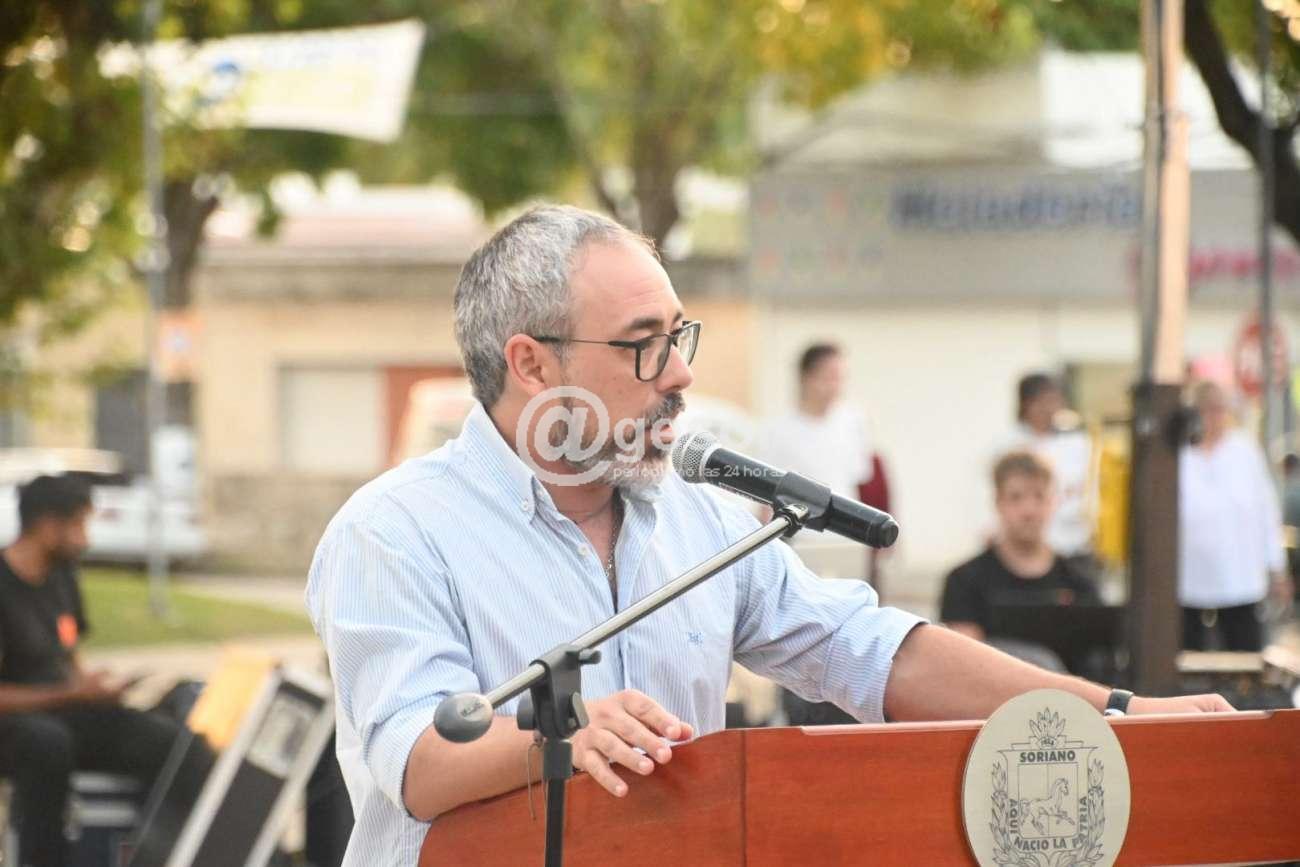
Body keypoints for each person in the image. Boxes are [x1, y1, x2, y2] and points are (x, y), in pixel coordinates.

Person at [305, 205, 1231, 867]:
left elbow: (870, 651)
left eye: (681, 337)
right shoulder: (394, 534)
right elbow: (416, 760)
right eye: (643, 344)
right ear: (531, 363)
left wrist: (1113, 713)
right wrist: (556, 736)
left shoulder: (702, 517)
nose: (678, 375)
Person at [0, 475, 181, 867]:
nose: (87, 539)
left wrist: (92, 686)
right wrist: (72, 694)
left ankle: (167, 854)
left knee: (164, 737)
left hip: (62, 712)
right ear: (48, 526)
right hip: (16, 726)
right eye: (80, 525)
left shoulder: (62, 577)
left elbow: (68, 655)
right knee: (46, 744)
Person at [941, 451, 1102, 672]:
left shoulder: (1080, 582)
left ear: (1054, 501)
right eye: (1016, 497)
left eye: (1039, 496)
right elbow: (965, 662)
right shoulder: (964, 581)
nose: (1029, 510)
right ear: (998, 502)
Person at [1180, 381, 1293, 651]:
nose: (1214, 417)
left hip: (1239, 579)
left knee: (1244, 654)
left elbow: (1266, 511)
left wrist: (1276, 567)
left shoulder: (1245, 451)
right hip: (1188, 580)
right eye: (1207, 410)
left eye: (1219, 409)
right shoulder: (1181, 454)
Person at [996, 372, 1097, 577]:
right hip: (1022, 551)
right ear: (1026, 404)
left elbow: (1086, 491)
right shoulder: (1007, 445)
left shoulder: (1078, 444)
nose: (1049, 409)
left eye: (1054, 401)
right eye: (1041, 402)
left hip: (1071, 546)